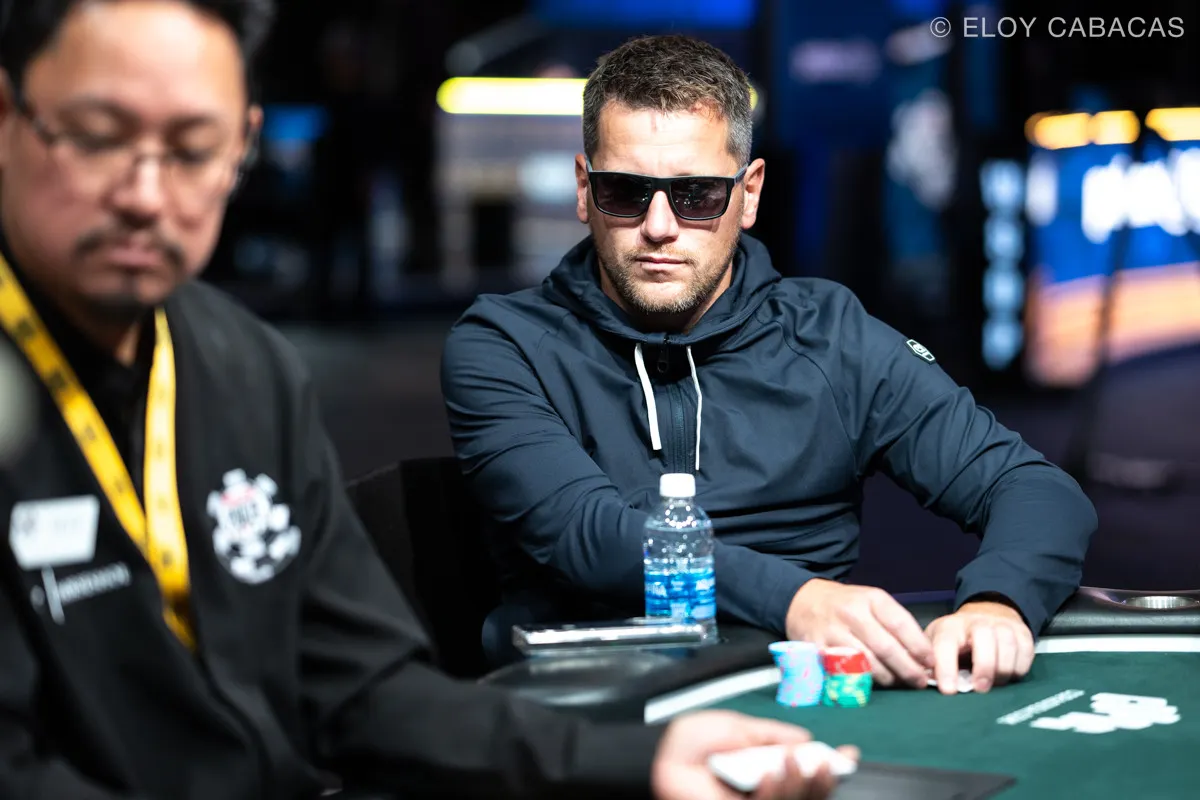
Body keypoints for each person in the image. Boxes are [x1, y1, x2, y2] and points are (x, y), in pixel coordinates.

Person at [0, 3, 857, 798]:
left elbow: (363, 691)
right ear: (8, 119)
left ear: (242, 146)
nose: (146, 194)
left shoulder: (249, 371)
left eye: (192, 148)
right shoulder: (497, 343)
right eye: (97, 137)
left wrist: (638, 761)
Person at [441, 35, 1098, 691]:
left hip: (794, 696)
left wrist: (999, 601)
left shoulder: (830, 336)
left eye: (697, 194)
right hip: (591, 708)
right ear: (585, 190)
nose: (660, 226)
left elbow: (1031, 487)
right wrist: (798, 600)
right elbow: (586, 535)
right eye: (626, 191)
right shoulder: (504, 344)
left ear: (749, 194)